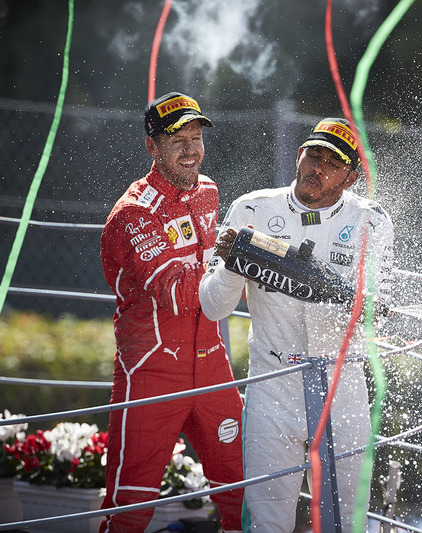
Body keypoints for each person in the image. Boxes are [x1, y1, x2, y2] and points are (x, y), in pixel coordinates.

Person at [199, 117, 394, 531]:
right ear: (299, 154)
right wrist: (235, 261)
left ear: (351, 178)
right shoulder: (251, 208)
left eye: (332, 164)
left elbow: (376, 306)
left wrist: (368, 302)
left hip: (342, 386)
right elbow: (214, 308)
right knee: (267, 524)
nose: (317, 168)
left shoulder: (371, 221)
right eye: (313, 155)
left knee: (347, 524)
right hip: (271, 384)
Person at [99, 92, 244, 532]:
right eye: (177, 139)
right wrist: (240, 259)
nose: (191, 149)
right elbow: (179, 293)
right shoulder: (133, 213)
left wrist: (248, 258)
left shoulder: (209, 192)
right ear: (152, 146)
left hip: (213, 363)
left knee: (245, 491)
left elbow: (214, 278)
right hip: (151, 372)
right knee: (130, 506)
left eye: (196, 137)